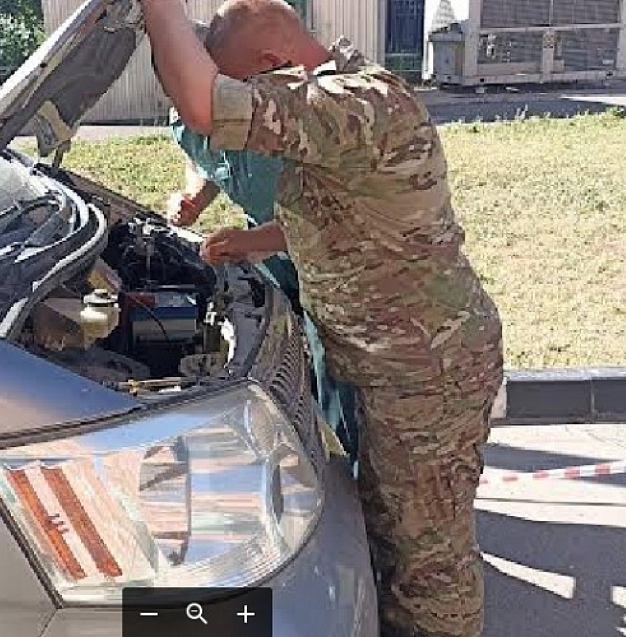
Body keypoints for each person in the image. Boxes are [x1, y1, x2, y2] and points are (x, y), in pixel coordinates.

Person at [142, 1, 505, 636]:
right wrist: (241, 242)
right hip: (395, 364)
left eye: (246, 84)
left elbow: (206, 106)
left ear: (271, 66)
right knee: (391, 529)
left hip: (424, 373)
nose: (248, 105)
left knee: (430, 563)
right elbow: (327, 220)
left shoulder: (356, 106)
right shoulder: (338, 101)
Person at [161, 24, 358, 454]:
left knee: (335, 362)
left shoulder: (279, 110)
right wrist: (193, 197)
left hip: (326, 249)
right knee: (275, 344)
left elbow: (318, 222)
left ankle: (346, 465)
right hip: (265, 242)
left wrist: (243, 243)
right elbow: (205, 159)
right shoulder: (186, 113)